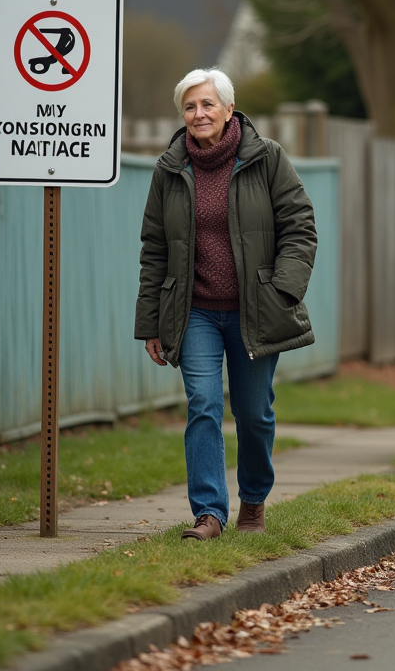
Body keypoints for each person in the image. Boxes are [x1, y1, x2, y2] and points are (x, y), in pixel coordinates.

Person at [135, 68, 316, 541]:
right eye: (190, 106)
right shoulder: (169, 169)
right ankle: (209, 514)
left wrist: (282, 291)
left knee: (254, 413)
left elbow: (300, 226)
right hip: (194, 311)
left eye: (207, 104)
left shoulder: (266, 158)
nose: (199, 114)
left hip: (255, 310)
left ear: (229, 110)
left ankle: (253, 503)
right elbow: (154, 249)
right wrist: (150, 322)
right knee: (203, 404)